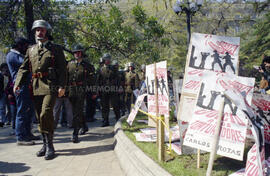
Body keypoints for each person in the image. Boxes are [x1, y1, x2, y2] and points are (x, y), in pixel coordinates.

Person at [14, 20, 67, 160]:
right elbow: (24, 68)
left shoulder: (55, 49)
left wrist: (62, 86)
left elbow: (63, 70)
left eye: (42, 30)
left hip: (51, 85)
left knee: (46, 113)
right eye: (37, 30)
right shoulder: (30, 49)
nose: (40, 32)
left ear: (47, 32)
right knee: (39, 117)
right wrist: (17, 83)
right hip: (36, 86)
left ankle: (50, 145)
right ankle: (44, 144)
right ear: (34, 32)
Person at [6, 37, 39, 144]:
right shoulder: (12, 56)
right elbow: (28, 64)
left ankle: (28, 133)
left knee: (28, 111)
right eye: (25, 46)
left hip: (27, 86)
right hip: (21, 86)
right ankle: (20, 137)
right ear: (19, 45)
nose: (26, 48)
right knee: (22, 111)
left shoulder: (18, 54)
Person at [67, 44, 95, 142]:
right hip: (71, 89)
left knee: (76, 111)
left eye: (78, 52)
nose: (77, 54)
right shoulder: (69, 64)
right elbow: (65, 77)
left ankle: (75, 133)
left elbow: (92, 80)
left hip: (81, 89)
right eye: (75, 52)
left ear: (82, 53)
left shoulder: (88, 66)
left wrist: (94, 91)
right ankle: (84, 125)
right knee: (77, 111)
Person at [97, 54, 120, 127]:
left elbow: (118, 79)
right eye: (106, 59)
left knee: (115, 105)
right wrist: (97, 90)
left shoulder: (114, 68)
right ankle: (105, 120)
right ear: (104, 60)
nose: (108, 60)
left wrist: (118, 87)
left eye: (109, 59)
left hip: (113, 90)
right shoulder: (100, 69)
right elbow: (98, 80)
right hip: (104, 90)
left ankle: (118, 119)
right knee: (104, 106)